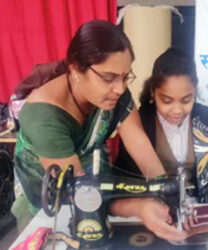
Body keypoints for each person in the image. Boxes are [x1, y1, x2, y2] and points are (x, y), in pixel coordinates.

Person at [14, 20, 186, 241]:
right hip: (45, 213)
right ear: (76, 69)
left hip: (96, 201)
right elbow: (82, 193)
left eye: (125, 77)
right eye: (109, 78)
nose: (120, 88)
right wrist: (138, 208)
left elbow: (139, 143)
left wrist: (165, 190)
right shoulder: (43, 116)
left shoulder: (114, 94)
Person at [116, 47, 208, 219]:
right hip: (152, 212)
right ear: (153, 92)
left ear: (195, 91)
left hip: (196, 209)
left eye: (186, 100)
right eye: (166, 100)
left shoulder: (207, 120)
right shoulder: (139, 125)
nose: (177, 110)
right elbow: (124, 176)